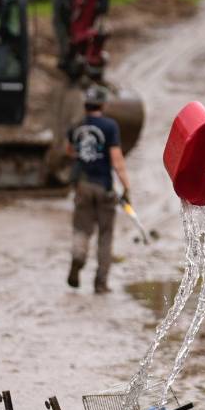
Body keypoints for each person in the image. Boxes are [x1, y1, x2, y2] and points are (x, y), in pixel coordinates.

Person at [66, 85, 131, 293]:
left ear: (86, 104)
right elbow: (117, 160)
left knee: (82, 229)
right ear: (103, 104)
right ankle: (100, 283)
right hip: (104, 187)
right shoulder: (110, 126)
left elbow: (69, 151)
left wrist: (84, 156)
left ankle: (78, 257)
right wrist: (126, 186)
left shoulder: (76, 127)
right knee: (105, 235)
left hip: (83, 186)